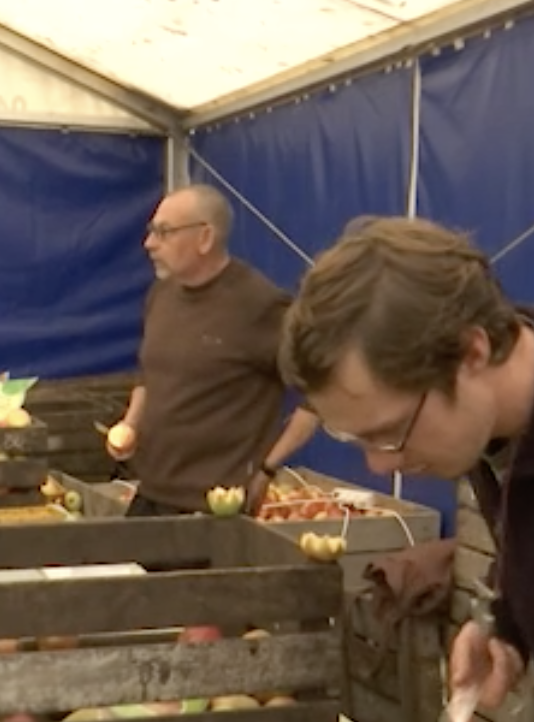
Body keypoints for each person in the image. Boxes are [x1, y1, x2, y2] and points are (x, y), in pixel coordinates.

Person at [279, 215, 533, 710]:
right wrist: (511, 628)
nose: (377, 465)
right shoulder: (496, 428)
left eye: (390, 431)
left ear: (471, 351)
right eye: (353, 436)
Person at [107, 184, 318, 516]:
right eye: (151, 232)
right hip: (150, 491)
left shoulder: (259, 305)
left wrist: (267, 469)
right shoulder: (160, 295)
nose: (149, 244)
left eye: (164, 232)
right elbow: (149, 374)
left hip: (215, 509)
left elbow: (317, 393)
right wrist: (130, 424)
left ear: (205, 237)